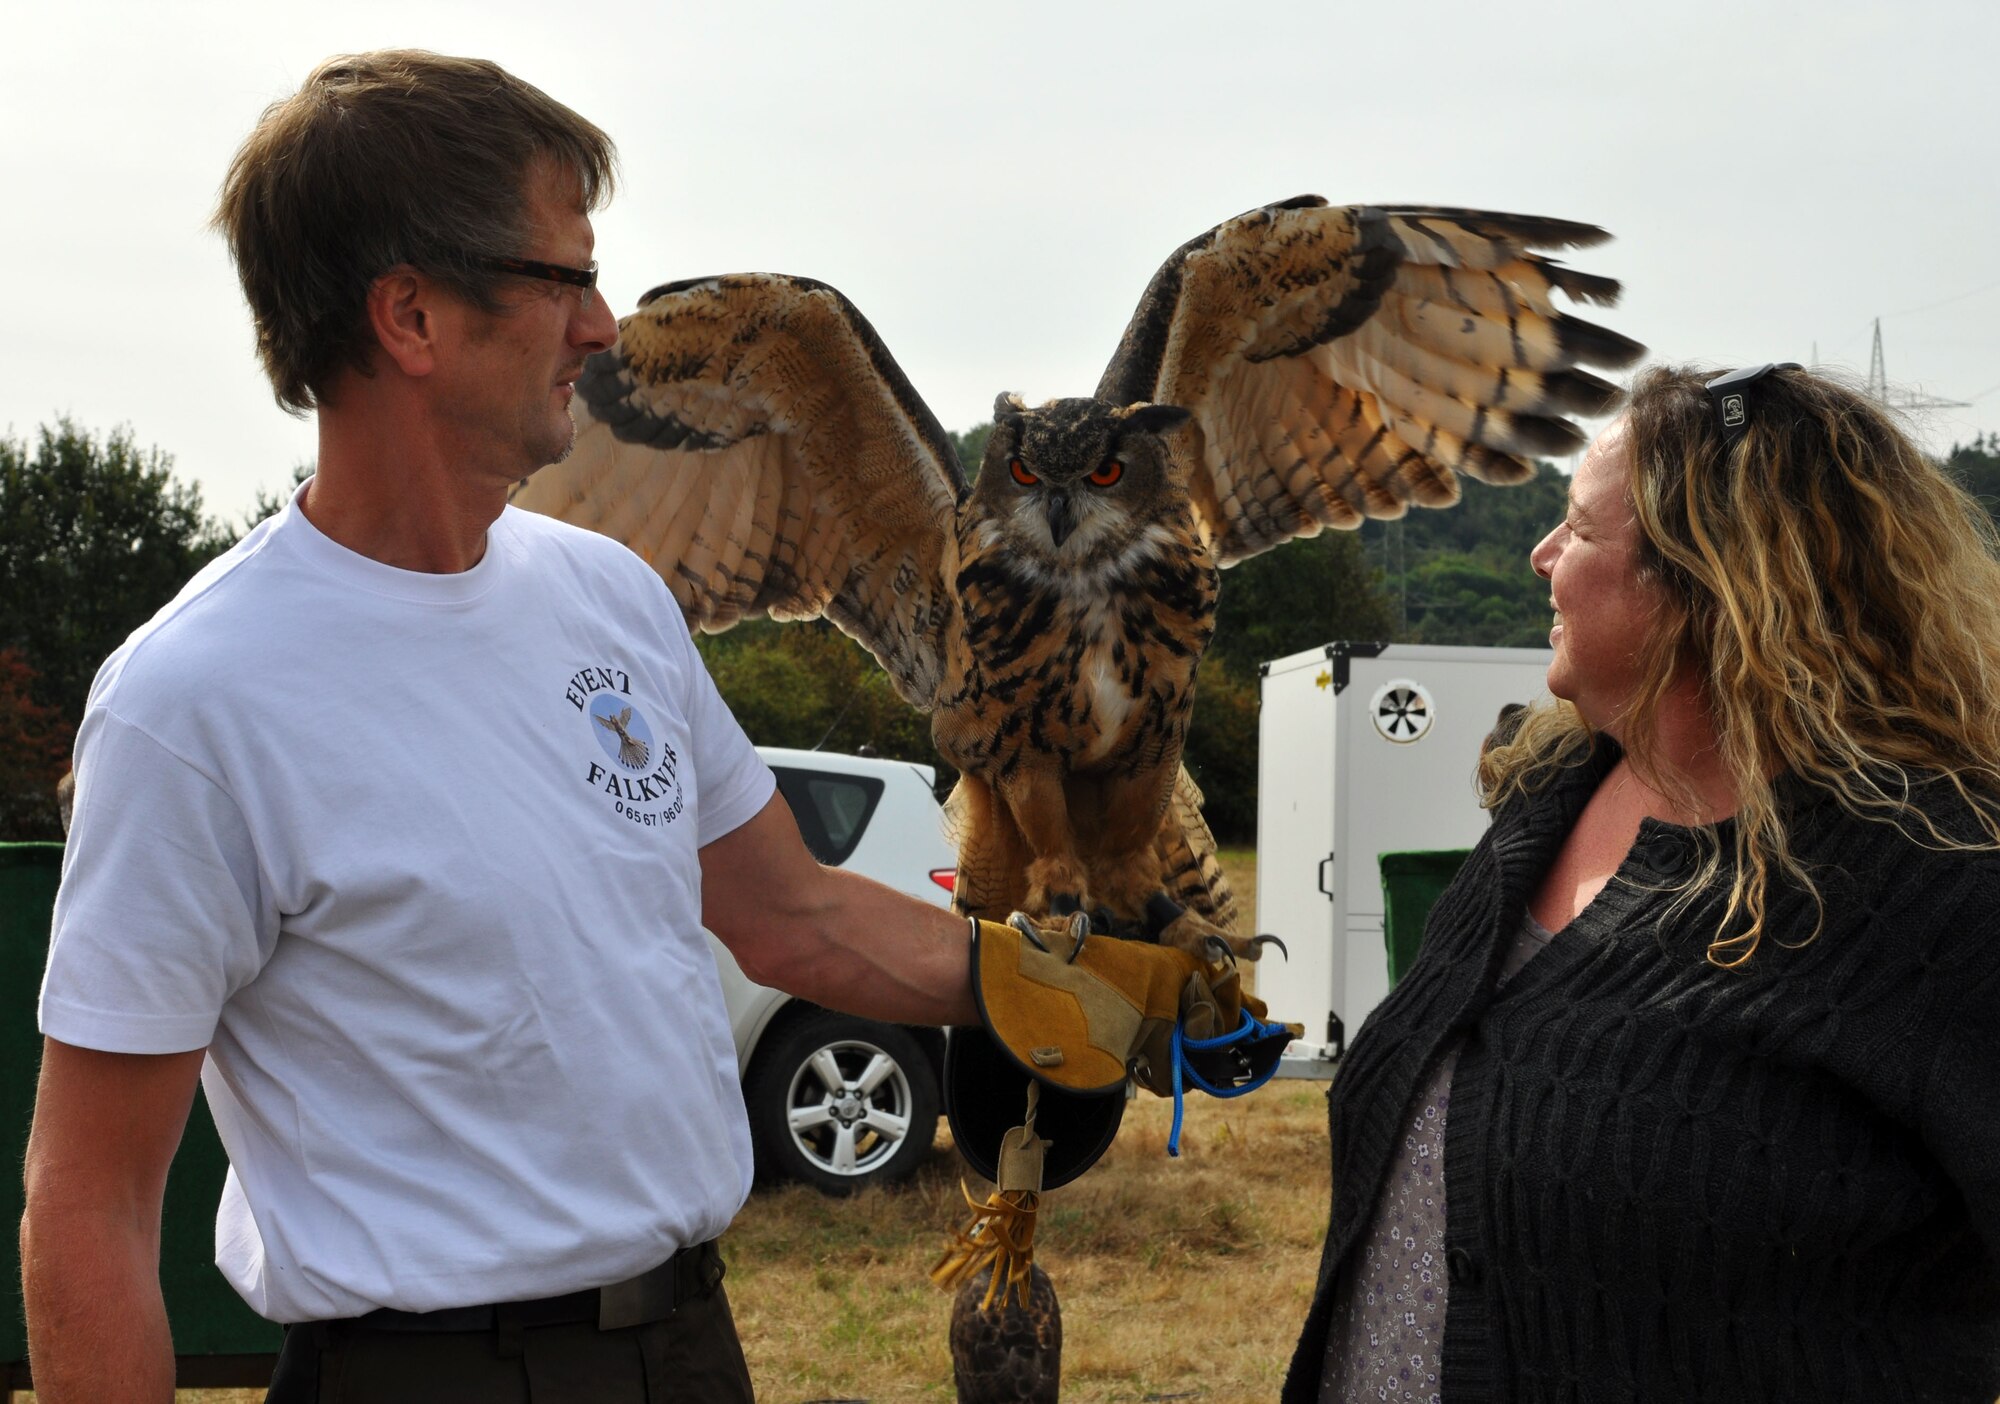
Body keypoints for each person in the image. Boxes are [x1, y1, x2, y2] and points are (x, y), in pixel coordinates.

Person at [16, 50, 1225, 1404]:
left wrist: (1096, 994)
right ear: (413, 317)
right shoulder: (194, 699)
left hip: (685, 1348)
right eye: (563, 278)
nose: (602, 328)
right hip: (419, 1376)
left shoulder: (607, 603)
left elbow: (795, 918)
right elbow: (89, 1199)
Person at [1285, 363, 2000, 1402]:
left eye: (1573, 529)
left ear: (1705, 585)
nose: (1537, 557)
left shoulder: (1937, 881)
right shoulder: (1543, 799)